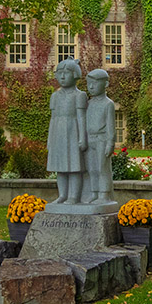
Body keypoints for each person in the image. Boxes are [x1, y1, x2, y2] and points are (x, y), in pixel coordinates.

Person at [47, 59, 87, 204]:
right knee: (60, 167)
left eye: (66, 73)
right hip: (58, 132)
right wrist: (50, 140)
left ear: (75, 74)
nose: (63, 77)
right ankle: (62, 195)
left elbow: (81, 118)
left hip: (73, 132)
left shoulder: (79, 95)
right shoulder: (55, 96)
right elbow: (52, 119)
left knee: (74, 167)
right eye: (60, 73)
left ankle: (73, 197)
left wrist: (82, 137)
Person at [83, 69, 116, 205]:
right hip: (90, 139)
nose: (91, 87)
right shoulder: (88, 104)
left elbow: (110, 126)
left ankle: (104, 194)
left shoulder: (108, 104)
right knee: (92, 169)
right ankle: (94, 192)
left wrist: (110, 143)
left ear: (106, 84)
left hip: (102, 140)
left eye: (95, 83)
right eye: (89, 83)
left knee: (103, 168)